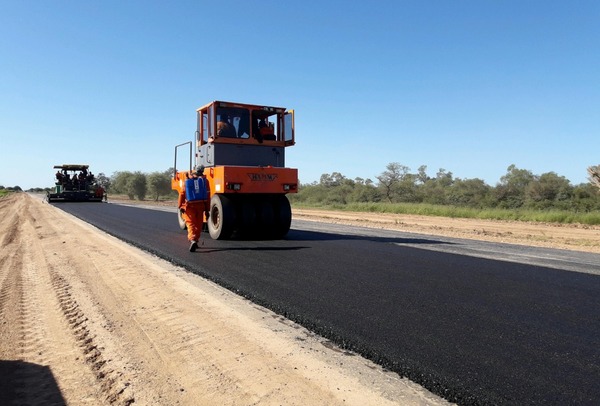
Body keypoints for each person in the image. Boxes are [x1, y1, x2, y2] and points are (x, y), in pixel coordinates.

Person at [178, 166, 209, 252]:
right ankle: (196, 240)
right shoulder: (205, 181)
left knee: (190, 223)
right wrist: (207, 209)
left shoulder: (188, 180)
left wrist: (180, 206)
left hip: (190, 206)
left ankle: (193, 239)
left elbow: (182, 194)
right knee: (199, 224)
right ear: (203, 171)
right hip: (201, 206)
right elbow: (208, 195)